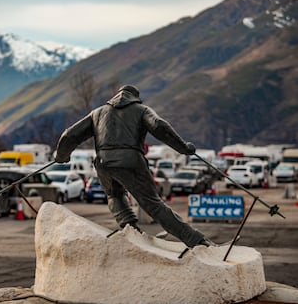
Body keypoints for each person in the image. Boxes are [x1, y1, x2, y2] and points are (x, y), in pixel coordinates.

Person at [55, 84, 214, 248]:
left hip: (103, 162)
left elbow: (70, 135)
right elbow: (159, 125)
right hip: (130, 160)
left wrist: (61, 156)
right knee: (153, 204)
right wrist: (183, 148)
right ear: (135, 98)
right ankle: (196, 241)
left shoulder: (98, 113)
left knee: (114, 195)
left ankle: (131, 229)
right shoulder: (141, 110)